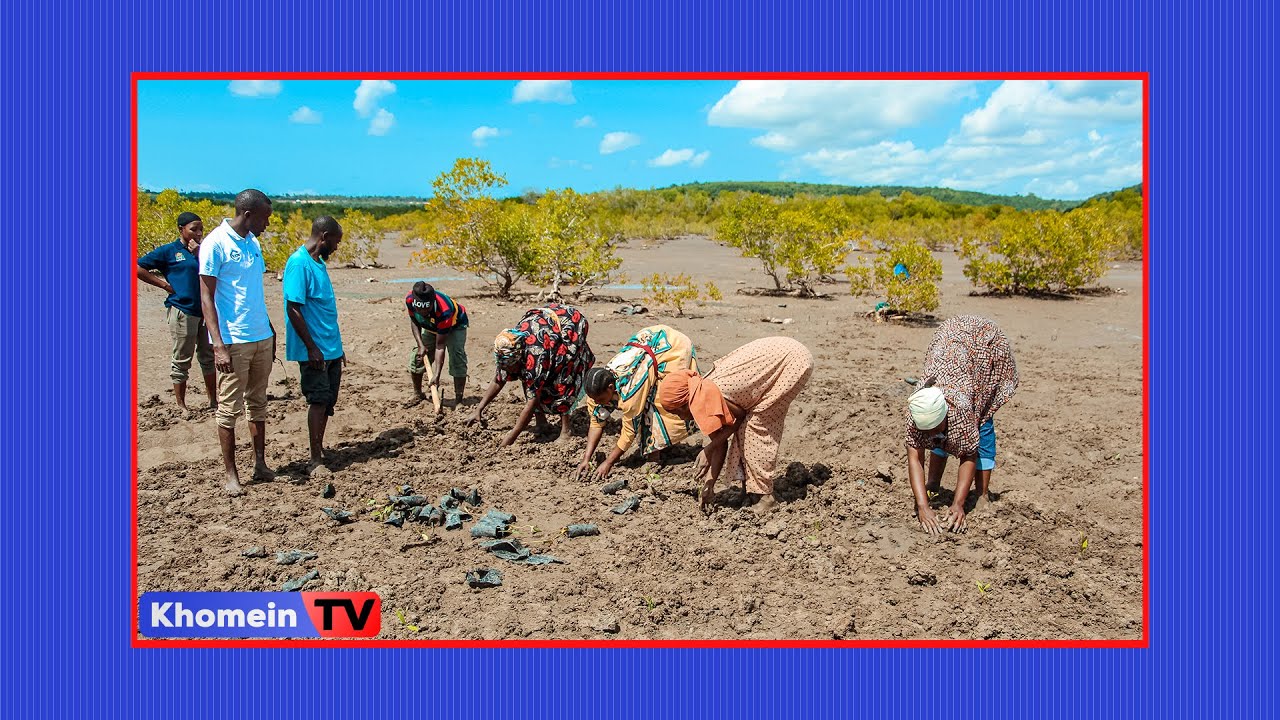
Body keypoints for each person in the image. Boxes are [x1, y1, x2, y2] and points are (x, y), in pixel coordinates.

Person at [658, 336, 813, 513]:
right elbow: (720, 441)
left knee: (755, 428)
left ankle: (765, 499)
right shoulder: (699, 391)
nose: (680, 418)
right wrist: (710, 483)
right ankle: (751, 490)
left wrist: (708, 450)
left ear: (685, 402)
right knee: (747, 429)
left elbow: (738, 418)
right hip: (784, 353)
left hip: (792, 363)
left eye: (678, 412)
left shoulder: (707, 396)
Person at [904, 315, 1019, 535]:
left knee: (982, 423)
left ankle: (981, 494)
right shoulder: (916, 410)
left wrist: (958, 504)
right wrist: (923, 506)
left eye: (934, 429)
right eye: (924, 431)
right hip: (949, 343)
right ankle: (933, 485)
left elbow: (968, 454)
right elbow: (914, 457)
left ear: (946, 416)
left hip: (982, 345)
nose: (927, 436)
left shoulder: (962, 411)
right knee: (939, 437)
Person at [199, 189, 277, 497]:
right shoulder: (215, 243)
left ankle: (260, 464)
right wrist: (217, 343)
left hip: (261, 336)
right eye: (265, 218)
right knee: (228, 408)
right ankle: (231, 474)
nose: (267, 225)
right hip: (233, 340)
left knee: (257, 402)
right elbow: (206, 296)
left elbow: (252, 290)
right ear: (248, 215)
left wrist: (268, 327)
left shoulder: (253, 243)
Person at [577, 325, 699, 481]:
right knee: (645, 399)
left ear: (610, 388)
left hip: (671, 348)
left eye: (600, 400)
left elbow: (629, 432)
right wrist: (586, 458)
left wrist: (608, 463)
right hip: (647, 345)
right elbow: (596, 422)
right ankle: (655, 448)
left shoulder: (630, 393)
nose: (597, 403)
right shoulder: (595, 391)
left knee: (663, 399)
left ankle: (654, 455)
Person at [467, 303, 594, 446]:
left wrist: (510, 438)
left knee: (562, 379)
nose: (507, 370)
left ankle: (566, 431)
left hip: (569, 326)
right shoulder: (508, 347)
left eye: (511, 366)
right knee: (527, 379)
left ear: (520, 357)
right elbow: (498, 380)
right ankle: (542, 423)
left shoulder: (535, 357)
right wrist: (479, 409)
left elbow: (532, 400)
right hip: (544, 326)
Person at [283, 216, 346, 477]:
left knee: (328, 401)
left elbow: (324, 310)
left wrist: (338, 347)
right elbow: (293, 308)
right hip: (315, 350)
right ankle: (314, 459)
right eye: (335, 241)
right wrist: (311, 347)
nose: (336, 247)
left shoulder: (319, 263)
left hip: (331, 347)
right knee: (318, 400)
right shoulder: (299, 264)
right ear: (323, 236)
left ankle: (319, 448)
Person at [137, 211, 217, 413]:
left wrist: (200, 253)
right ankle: (181, 405)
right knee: (182, 358)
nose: (198, 233)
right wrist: (164, 285)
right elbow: (138, 267)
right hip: (183, 310)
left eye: (201, 229)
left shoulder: (205, 250)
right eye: (193, 229)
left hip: (206, 312)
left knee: (208, 357)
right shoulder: (170, 251)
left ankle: (213, 401)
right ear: (181, 229)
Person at [406, 281, 469, 407]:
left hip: (454, 325)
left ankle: (458, 400)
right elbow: (414, 321)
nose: (422, 312)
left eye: (426, 308)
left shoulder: (444, 310)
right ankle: (418, 394)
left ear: (432, 302)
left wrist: (437, 375)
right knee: (416, 358)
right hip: (431, 325)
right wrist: (420, 345)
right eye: (419, 309)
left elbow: (440, 345)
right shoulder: (410, 299)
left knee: (457, 357)